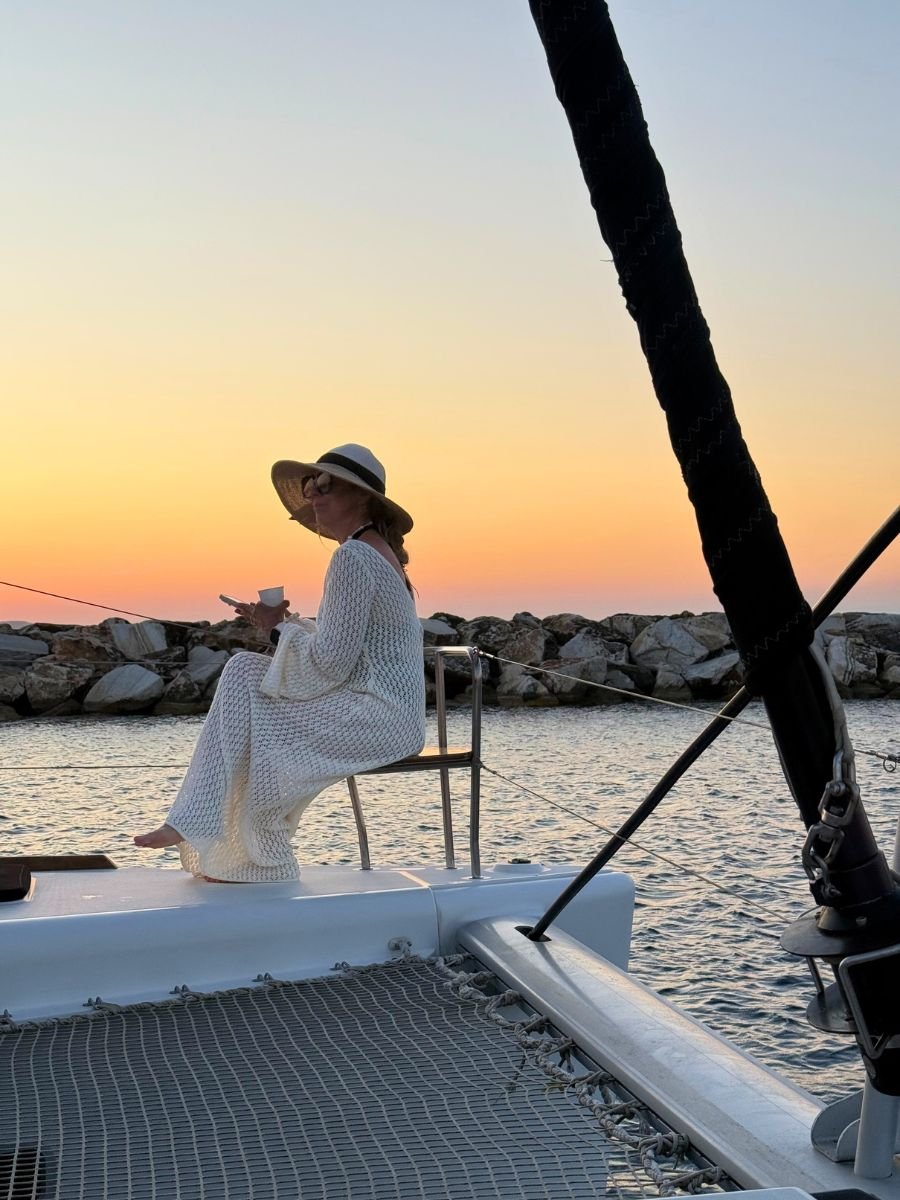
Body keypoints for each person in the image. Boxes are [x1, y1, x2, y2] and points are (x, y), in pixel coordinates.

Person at [133, 444, 427, 881]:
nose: (314, 494)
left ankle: (230, 840)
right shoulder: (372, 550)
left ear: (362, 496)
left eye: (326, 485)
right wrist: (283, 624)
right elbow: (344, 647)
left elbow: (330, 665)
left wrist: (276, 630)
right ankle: (218, 835)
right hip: (391, 711)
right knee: (246, 672)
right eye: (311, 485)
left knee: (251, 693)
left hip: (378, 715)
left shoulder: (352, 557)